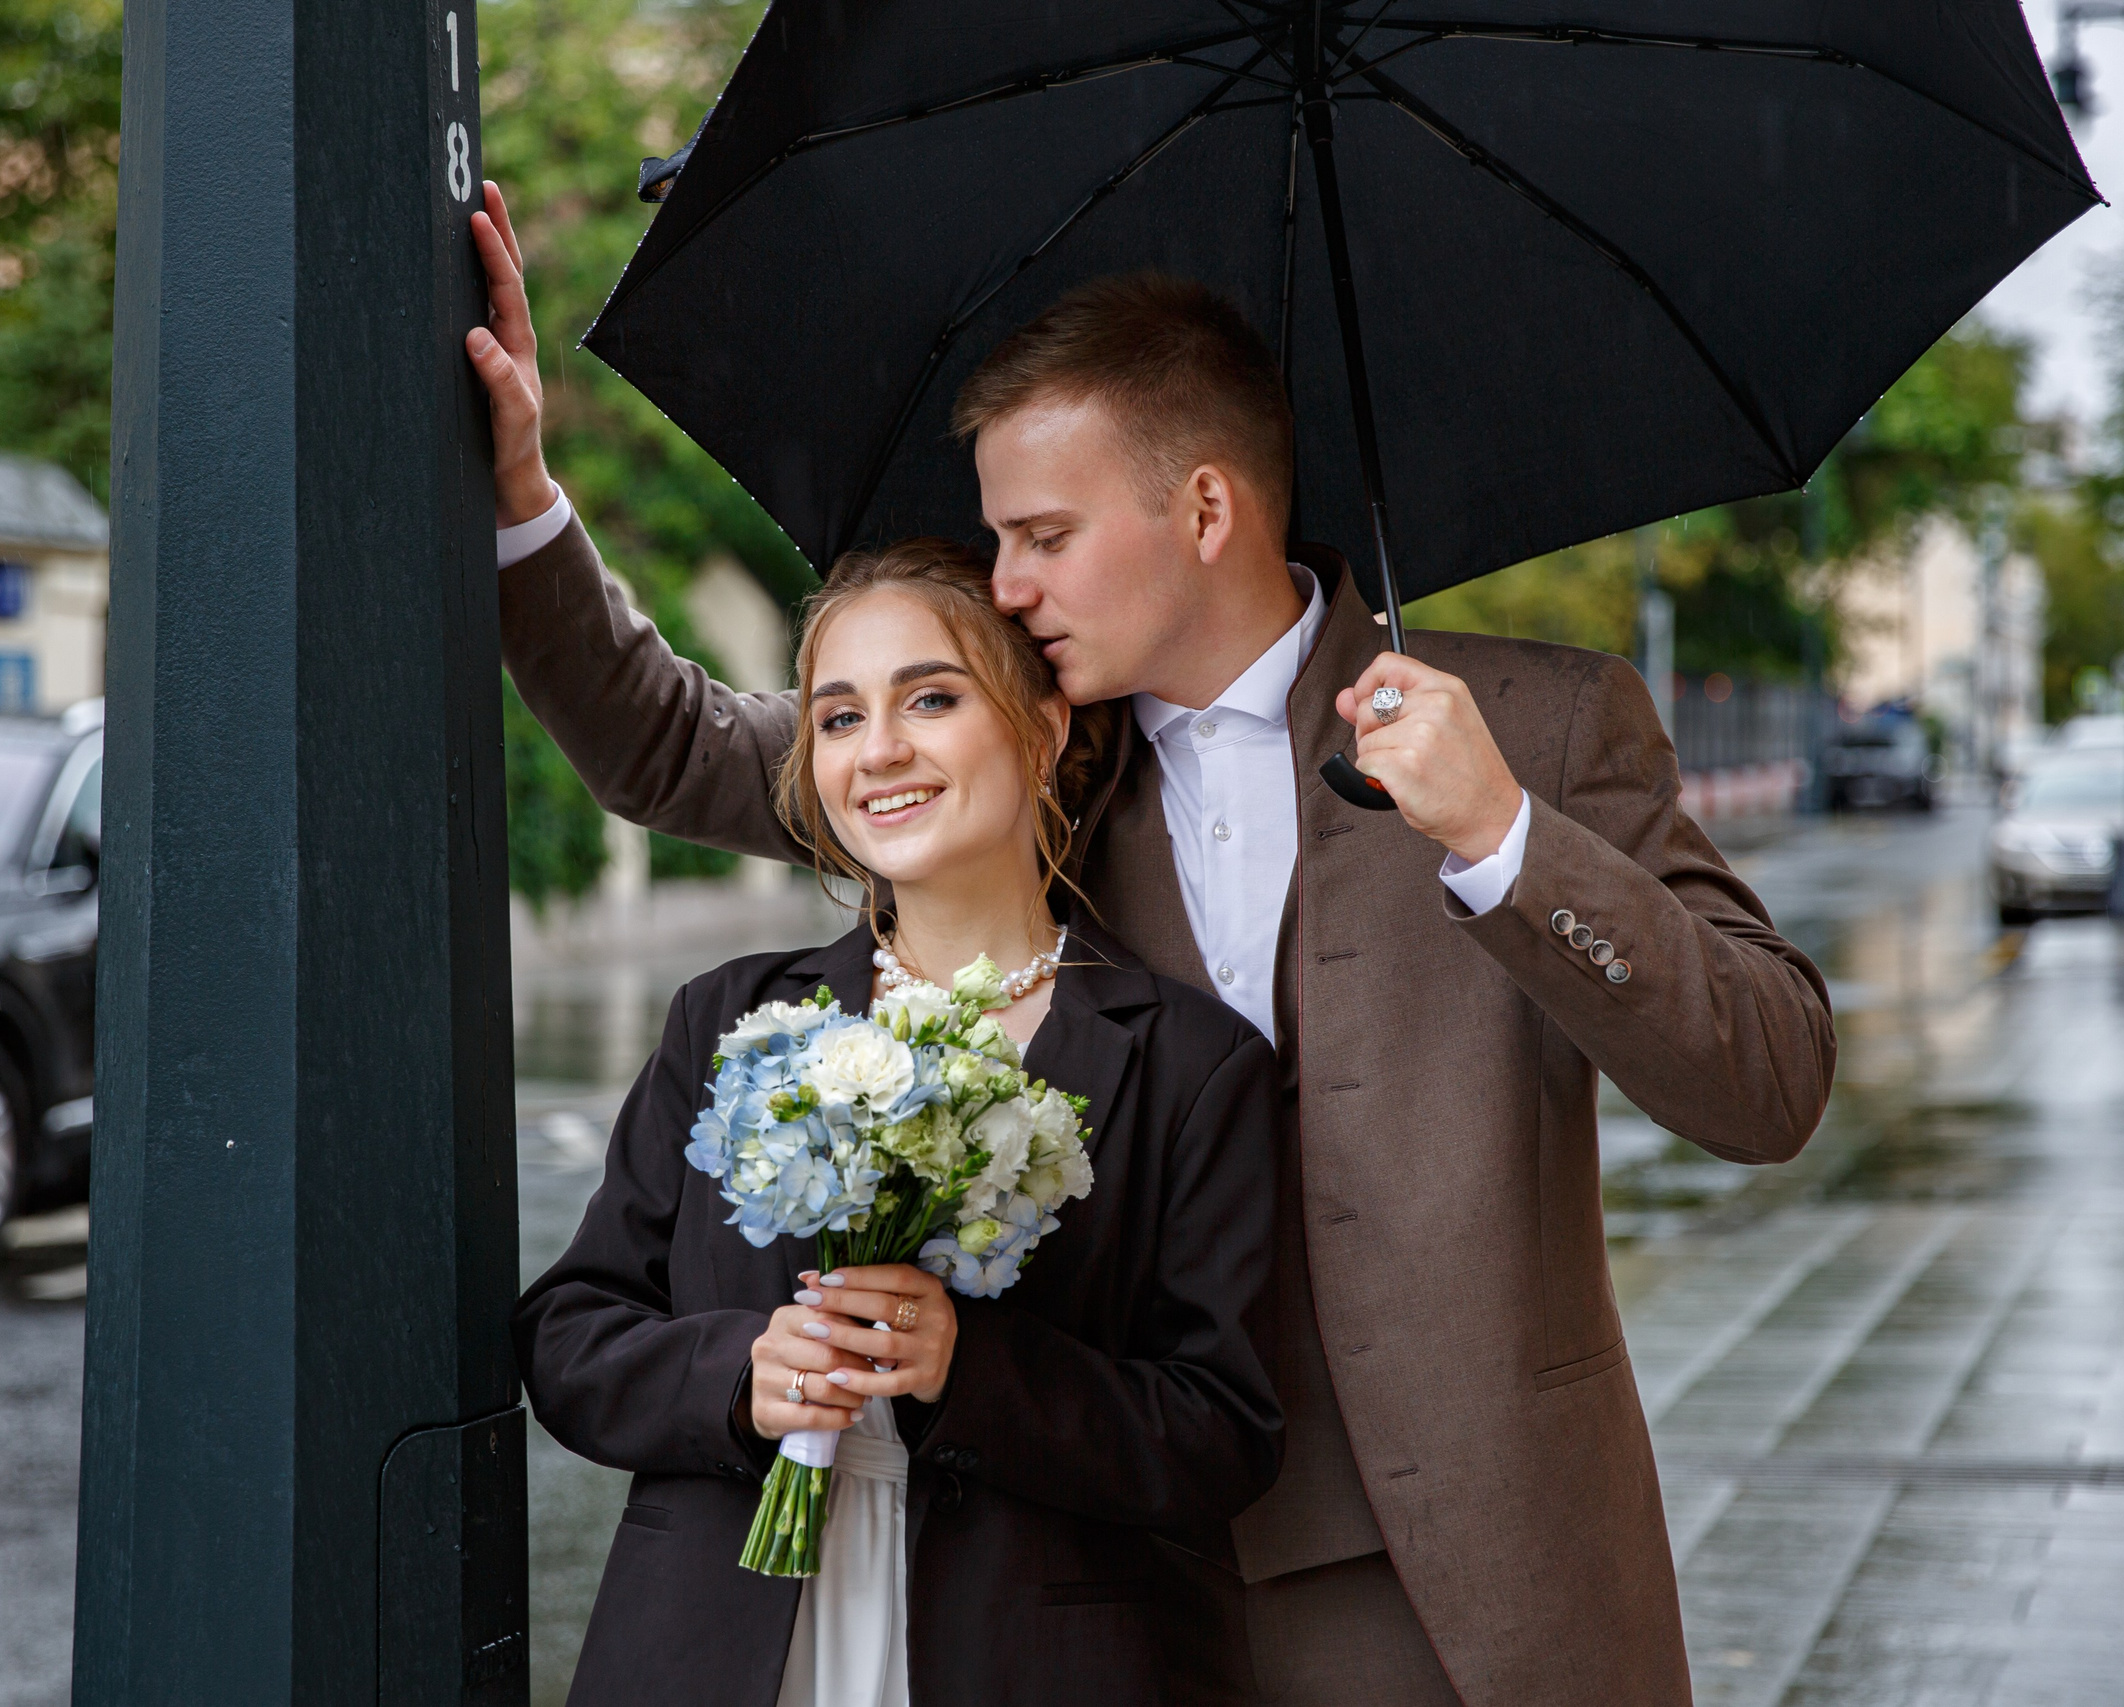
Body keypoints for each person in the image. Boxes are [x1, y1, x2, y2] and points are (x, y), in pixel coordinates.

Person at [470, 176, 1835, 1704]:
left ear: (1203, 508)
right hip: (1101, 1576)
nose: (1003, 584)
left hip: (1465, 1564)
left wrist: (1503, 834)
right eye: (997, 539)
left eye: (1043, 534)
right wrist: (523, 490)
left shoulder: (1543, 724)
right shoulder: (1032, 748)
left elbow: (1770, 1079)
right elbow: (673, 744)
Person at [512, 537, 1285, 1707]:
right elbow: (571, 1336)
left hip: (1032, 1653)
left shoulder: (1190, 1062)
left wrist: (968, 1368)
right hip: (711, 1648)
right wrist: (739, 1372)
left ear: (1044, 728)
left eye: (930, 697)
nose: (878, 751)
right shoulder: (727, 1018)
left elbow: (1222, 1433)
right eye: (835, 717)